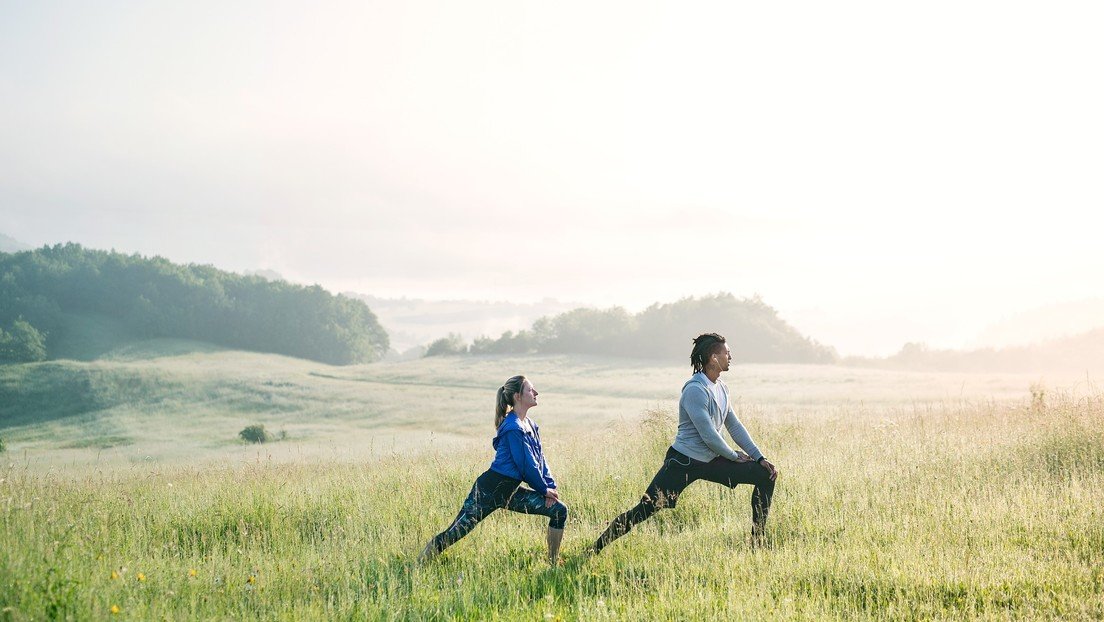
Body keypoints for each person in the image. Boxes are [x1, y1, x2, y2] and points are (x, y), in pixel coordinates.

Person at [593, 333, 778, 553]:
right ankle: (594, 550)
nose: (731, 356)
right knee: (645, 509)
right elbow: (709, 435)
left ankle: (758, 542)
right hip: (683, 462)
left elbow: (734, 427)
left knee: (766, 474)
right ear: (713, 358)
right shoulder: (695, 389)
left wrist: (759, 457)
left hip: (712, 459)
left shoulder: (721, 388)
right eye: (727, 353)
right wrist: (734, 456)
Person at [420, 375, 568, 565]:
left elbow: (540, 458)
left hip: (510, 491)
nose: (536, 392)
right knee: (456, 532)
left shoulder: (530, 424)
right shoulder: (513, 427)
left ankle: (553, 562)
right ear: (517, 396)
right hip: (489, 490)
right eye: (531, 390)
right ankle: (418, 564)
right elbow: (526, 465)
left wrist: (550, 487)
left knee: (559, 511)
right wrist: (543, 490)